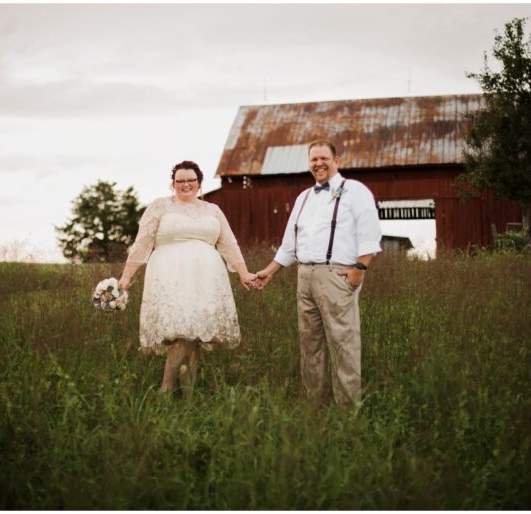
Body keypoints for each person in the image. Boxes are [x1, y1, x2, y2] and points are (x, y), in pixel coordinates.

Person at [255, 140, 382, 409]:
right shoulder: (303, 197)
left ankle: (348, 410)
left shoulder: (355, 191)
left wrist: (360, 269)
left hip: (337, 275)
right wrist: (270, 271)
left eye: (324, 158)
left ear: (337, 160)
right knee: (309, 343)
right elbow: (290, 243)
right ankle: (313, 407)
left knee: (343, 343)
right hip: (305, 276)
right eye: (313, 159)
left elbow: (370, 233)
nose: (318, 163)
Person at [118, 160, 258, 394]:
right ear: (172, 184)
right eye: (179, 181)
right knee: (185, 332)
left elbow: (228, 244)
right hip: (170, 276)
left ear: (199, 183)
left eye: (190, 180)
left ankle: (187, 393)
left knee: (195, 334)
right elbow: (142, 244)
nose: (185, 185)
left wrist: (243, 273)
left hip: (206, 279)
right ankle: (166, 388)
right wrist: (125, 277)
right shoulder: (159, 207)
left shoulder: (212, 210)